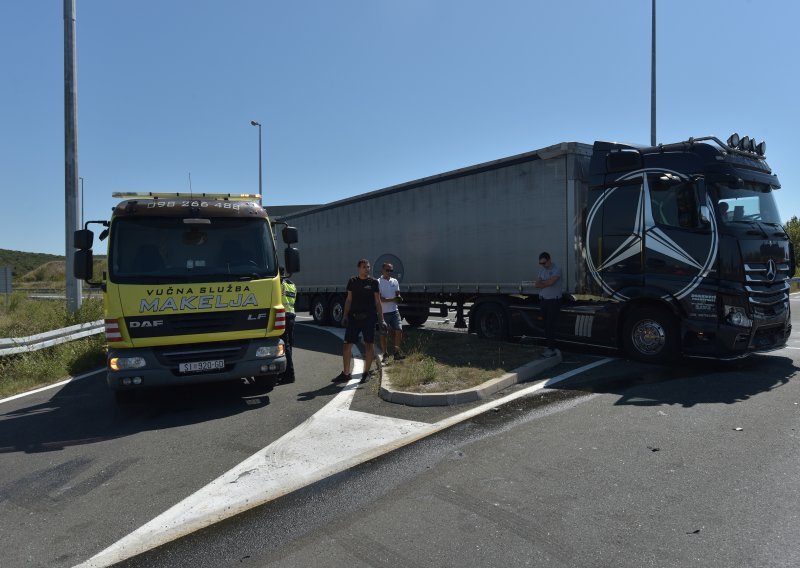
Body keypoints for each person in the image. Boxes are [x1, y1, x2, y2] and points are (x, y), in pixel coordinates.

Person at [335, 259, 384, 384]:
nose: (367, 269)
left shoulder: (373, 283)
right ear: (359, 268)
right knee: (347, 346)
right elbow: (349, 300)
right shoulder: (352, 281)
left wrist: (381, 319)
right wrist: (345, 315)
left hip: (369, 318)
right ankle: (346, 373)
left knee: (369, 345)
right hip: (353, 318)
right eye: (364, 267)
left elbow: (378, 302)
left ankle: (366, 373)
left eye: (368, 267)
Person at [534, 251, 562, 358]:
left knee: (550, 325)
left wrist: (543, 283)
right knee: (545, 325)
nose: (543, 265)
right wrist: (545, 283)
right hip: (544, 300)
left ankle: (552, 349)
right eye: (541, 263)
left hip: (553, 301)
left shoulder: (557, 269)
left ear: (549, 260)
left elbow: (551, 282)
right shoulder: (542, 270)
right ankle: (549, 346)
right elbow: (537, 284)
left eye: (544, 263)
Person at [378, 262, 405, 363]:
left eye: (391, 270)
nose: (389, 272)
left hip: (394, 311)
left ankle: (396, 353)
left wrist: (399, 298)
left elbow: (397, 295)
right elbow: (380, 299)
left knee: (399, 330)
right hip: (383, 313)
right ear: (382, 270)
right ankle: (385, 354)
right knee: (384, 334)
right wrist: (393, 299)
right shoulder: (378, 282)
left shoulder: (395, 281)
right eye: (387, 270)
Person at [279, 267, 297, 383]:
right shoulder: (292, 285)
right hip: (291, 315)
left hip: (283, 316)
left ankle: (289, 374)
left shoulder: (280, 284)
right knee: (289, 344)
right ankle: (287, 373)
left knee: (285, 346)